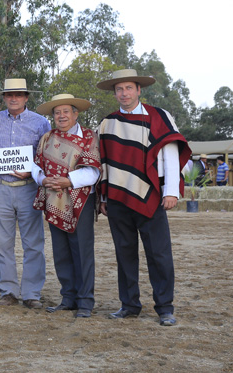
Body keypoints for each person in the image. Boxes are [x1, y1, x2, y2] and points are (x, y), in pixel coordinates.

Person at [96, 69, 191, 326]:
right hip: (117, 198)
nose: (124, 93)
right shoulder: (107, 123)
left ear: (139, 90)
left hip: (151, 196)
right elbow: (104, 162)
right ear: (114, 93)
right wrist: (103, 197)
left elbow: (170, 151)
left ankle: (165, 307)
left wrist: (171, 190)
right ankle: (129, 305)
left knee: (159, 254)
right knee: (124, 254)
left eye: (129, 88)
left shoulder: (158, 116)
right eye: (119, 89)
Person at [33, 94, 101, 318]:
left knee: (81, 251)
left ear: (75, 114)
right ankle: (68, 298)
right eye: (57, 112)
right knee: (61, 251)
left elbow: (93, 171)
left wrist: (68, 180)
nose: (61, 116)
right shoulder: (47, 138)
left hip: (80, 201)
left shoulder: (89, 137)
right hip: (54, 200)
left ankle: (85, 302)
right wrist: (42, 180)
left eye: (65, 112)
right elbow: (36, 166)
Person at [0, 78, 51, 309]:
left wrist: (34, 172)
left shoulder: (41, 123)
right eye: (9, 95)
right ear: (4, 98)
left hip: (29, 189)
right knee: (2, 243)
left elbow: (46, 155)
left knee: (33, 243)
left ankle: (32, 293)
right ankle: (8, 292)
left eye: (18, 94)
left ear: (26, 97)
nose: (13, 98)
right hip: (0, 189)